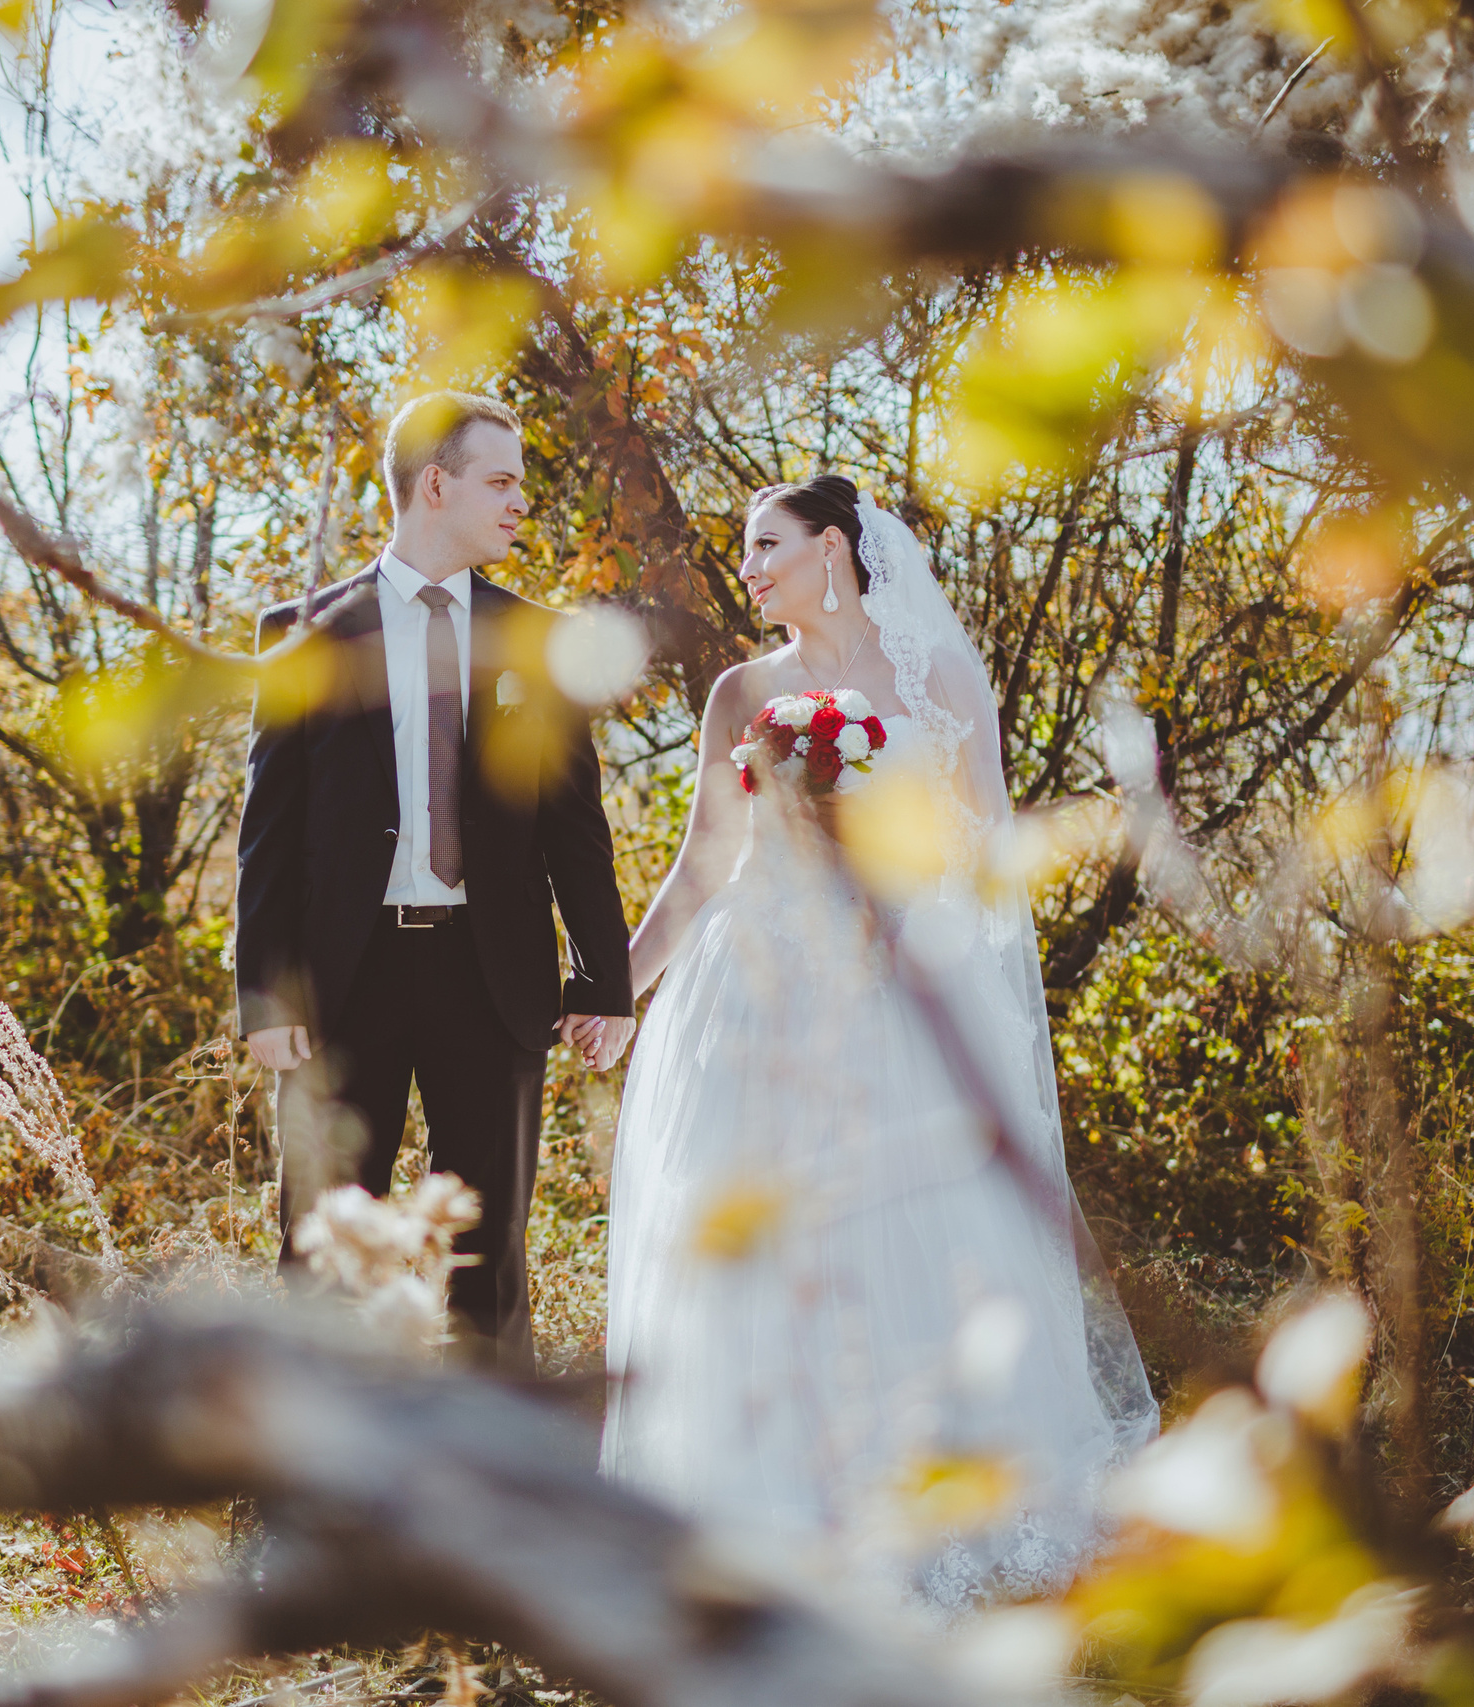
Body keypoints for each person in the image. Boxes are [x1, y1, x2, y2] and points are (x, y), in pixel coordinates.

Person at [599, 474, 1156, 1610]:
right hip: (752, 991)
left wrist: (904, 914)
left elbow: (986, 847)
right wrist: (617, 987)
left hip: (895, 987)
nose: (749, 566)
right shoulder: (739, 691)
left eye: (768, 544)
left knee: (902, 1230)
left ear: (835, 548)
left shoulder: (937, 677)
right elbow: (705, 861)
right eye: (745, 549)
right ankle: (760, 1493)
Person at [234, 390, 636, 1375]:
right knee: (325, 1239)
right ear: (434, 485)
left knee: (485, 1250)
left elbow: (575, 831)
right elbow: (269, 834)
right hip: (344, 979)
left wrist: (605, 985)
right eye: (500, 482)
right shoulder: (305, 632)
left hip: (489, 980)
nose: (517, 504)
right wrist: (263, 992)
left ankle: (493, 1482)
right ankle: (314, 1477)